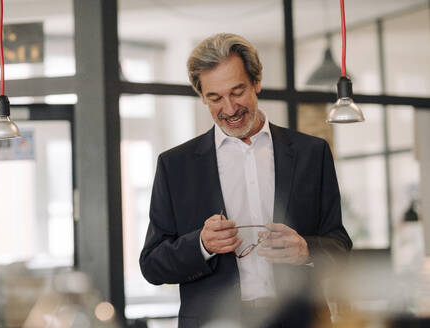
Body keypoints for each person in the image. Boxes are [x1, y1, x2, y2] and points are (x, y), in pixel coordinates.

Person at [140, 33, 352, 328]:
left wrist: (306, 250)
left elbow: (340, 245)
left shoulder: (311, 154)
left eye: (237, 92)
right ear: (202, 97)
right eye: (215, 98)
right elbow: (152, 264)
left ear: (257, 82)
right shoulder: (175, 165)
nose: (229, 109)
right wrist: (201, 244)